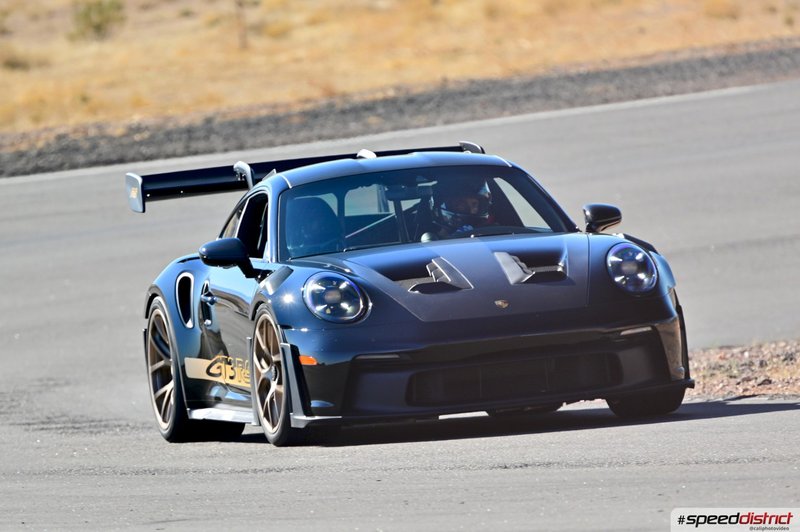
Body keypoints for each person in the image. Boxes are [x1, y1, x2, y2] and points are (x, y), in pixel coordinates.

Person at [426, 177, 493, 239]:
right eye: (463, 206)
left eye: (475, 204)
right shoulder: (432, 241)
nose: (474, 211)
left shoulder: (494, 229)